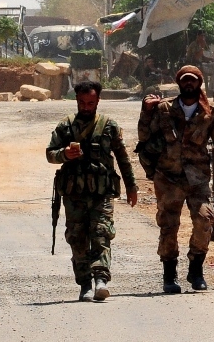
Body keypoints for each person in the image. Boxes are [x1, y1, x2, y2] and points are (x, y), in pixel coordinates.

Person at [137, 65, 214, 294]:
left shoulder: (211, 111)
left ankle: (196, 269)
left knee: (205, 220)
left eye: (192, 80)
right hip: (168, 177)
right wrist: (146, 112)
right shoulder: (164, 108)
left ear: (199, 83)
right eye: (185, 80)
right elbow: (144, 137)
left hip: (197, 179)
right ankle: (169, 275)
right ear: (179, 83)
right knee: (168, 226)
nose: (188, 84)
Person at [46, 81, 138, 302]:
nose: (86, 107)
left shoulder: (109, 126)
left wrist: (131, 186)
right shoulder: (65, 126)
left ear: (98, 101)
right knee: (77, 237)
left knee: (101, 233)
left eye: (90, 102)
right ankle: (85, 283)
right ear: (76, 100)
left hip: (102, 192)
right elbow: (50, 154)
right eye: (82, 102)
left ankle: (101, 280)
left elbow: (123, 158)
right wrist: (64, 154)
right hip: (74, 194)